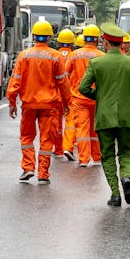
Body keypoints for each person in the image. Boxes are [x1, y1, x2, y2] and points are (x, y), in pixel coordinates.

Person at [78, 24, 130, 207]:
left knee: (107, 155)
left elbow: (83, 88)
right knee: (125, 153)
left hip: (105, 117)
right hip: (127, 117)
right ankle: (125, 178)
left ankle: (115, 194)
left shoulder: (96, 63)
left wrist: (99, 97)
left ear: (105, 43)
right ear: (122, 44)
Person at [7, 19, 70, 183]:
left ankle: (28, 168)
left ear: (34, 36)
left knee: (27, 137)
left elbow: (15, 81)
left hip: (28, 104)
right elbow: (63, 83)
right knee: (47, 139)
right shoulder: (55, 57)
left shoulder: (24, 56)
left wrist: (12, 102)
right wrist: (67, 103)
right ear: (49, 37)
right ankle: (43, 174)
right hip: (50, 105)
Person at [64, 24, 104, 167]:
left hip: (78, 98)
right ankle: (97, 157)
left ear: (84, 38)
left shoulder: (74, 55)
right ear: (97, 39)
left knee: (82, 129)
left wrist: (66, 96)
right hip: (96, 98)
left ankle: (84, 159)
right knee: (95, 129)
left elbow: (65, 76)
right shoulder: (102, 56)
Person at [56, 28, 78, 161]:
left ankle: (57, 149)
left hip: (53, 94)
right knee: (70, 121)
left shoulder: (53, 55)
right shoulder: (74, 56)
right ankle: (67, 147)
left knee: (56, 124)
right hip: (69, 93)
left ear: (59, 42)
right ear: (72, 43)